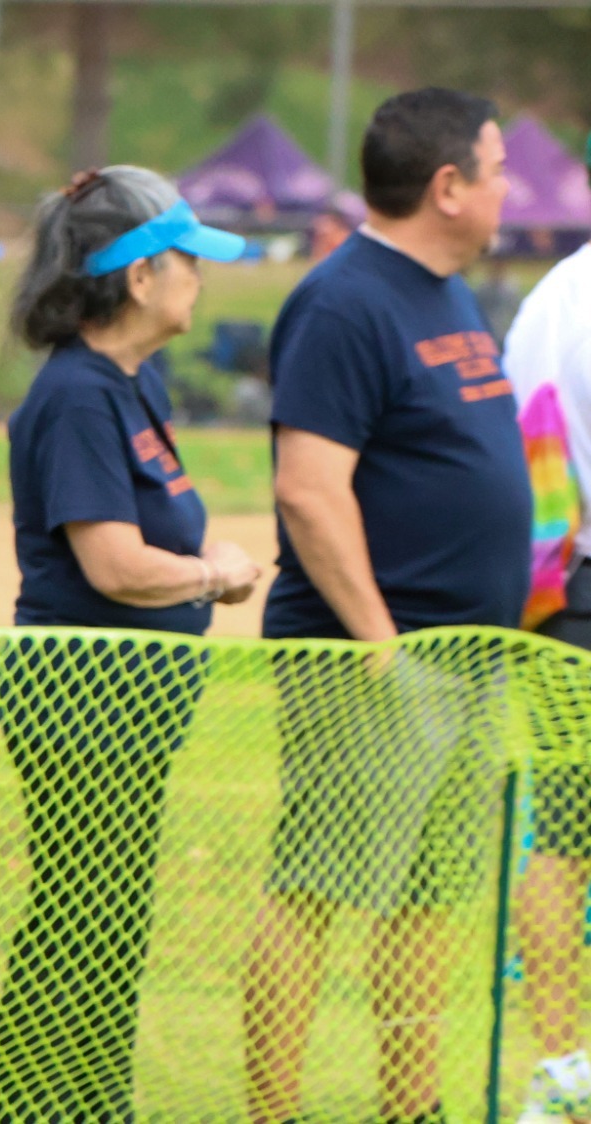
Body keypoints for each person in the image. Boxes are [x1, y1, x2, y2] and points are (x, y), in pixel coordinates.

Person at [242, 89, 528, 1124]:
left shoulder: (449, 294)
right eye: (495, 170)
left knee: (423, 894)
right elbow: (308, 489)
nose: (509, 190)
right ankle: (269, 1109)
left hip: (465, 657)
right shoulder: (344, 299)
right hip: (372, 657)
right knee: (316, 884)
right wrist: (379, 645)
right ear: (446, 186)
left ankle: (409, 1103)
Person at [0, 166, 260, 1121]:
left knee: (106, 923)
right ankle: (39, 1106)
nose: (199, 279)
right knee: (81, 925)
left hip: (133, 702)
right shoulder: (80, 395)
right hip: (84, 700)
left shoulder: (133, 384)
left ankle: (83, 1102)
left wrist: (199, 564)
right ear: (139, 278)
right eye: (186, 261)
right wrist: (212, 573)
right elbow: (115, 565)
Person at [502, 131, 591, 1124]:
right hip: (573, 587)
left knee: (563, 835)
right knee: (563, 834)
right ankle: (563, 1058)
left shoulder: (547, 300)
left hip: (565, 591)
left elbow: (519, 460)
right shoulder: (556, 302)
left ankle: (562, 1056)